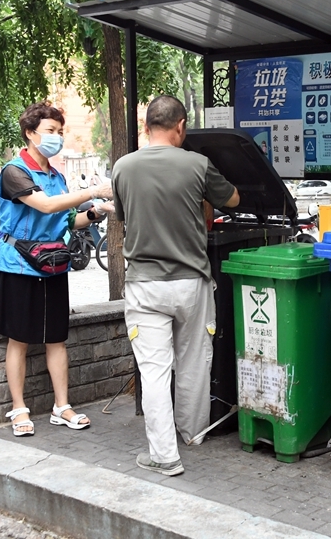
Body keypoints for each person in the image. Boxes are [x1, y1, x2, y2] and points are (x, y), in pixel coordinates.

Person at [112, 95, 239, 477]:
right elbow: (233, 199)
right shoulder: (197, 164)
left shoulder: (123, 167)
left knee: (153, 371)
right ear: (181, 126)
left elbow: (124, 215)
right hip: (190, 284)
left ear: (146, 126)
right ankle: (192, 433)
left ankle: (165, 456)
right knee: (194, 363)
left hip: (145, 286)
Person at [0, 101, 115, 438]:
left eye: (59, 131)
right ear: (30, 133)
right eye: (50, 131)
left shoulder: (56, 176)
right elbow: (44, 205)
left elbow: (69, 220)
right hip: (19, 266)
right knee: (19, 340)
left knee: (57, 338)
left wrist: (97, 211)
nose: (56, 137)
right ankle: (19, 408)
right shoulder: (14, 172)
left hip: (53, 264)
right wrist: (91, 191)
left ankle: (62, 406)